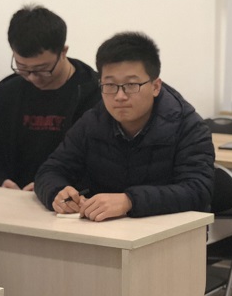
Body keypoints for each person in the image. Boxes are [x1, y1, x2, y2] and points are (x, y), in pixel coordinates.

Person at [34, 32, 214, 220]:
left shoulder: (188, 126)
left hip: (172, 232)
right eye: (110, 85)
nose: (120, 96)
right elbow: (49, 170)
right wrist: (57, 192)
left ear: (155, 87)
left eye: (131, 85)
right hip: (105, 230)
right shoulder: (92, 122)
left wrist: (129, 201)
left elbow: (198, 190)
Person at [0, 5, 100, 191]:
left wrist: (51, 187)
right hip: (13, 199)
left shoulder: (97, 94)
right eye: (22, 67)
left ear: (63, 52)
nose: (32, 77)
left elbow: (103, 161)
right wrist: (0, 181)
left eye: (42, 69)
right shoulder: (7, 94)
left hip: (71, 198)